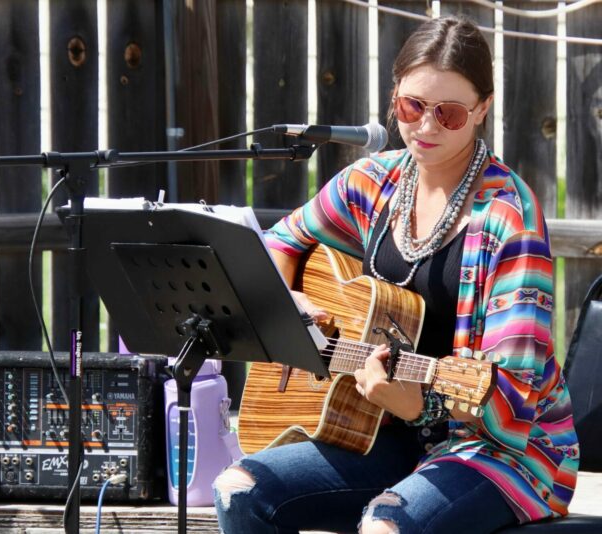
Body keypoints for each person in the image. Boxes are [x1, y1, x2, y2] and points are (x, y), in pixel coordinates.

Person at [213, 16, 579, 534]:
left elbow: (512, 393)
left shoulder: (507, 217)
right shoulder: (372, 183)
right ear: (394, 96)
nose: (426, 127)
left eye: (448, 114)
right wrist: (292, 305)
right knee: (238, 492)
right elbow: (279, 242)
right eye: (412, 107)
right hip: (371, 431)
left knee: (387, 525)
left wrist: (418, 406)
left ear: (482, 110)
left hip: (496, 449)